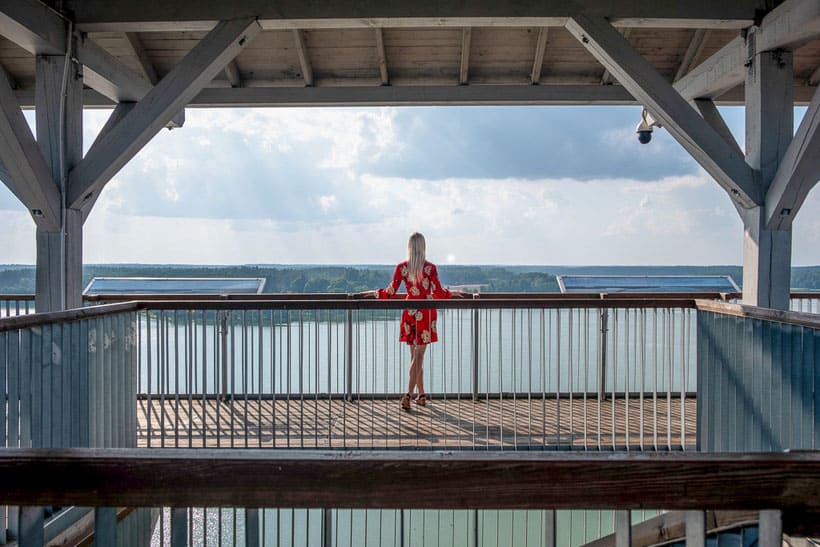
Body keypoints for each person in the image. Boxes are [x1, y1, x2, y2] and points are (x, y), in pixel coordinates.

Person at [361, 232, 465, 410]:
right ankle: (410, 394)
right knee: (418, 357)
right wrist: (451, 293)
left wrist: (376, 293)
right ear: (423, 247)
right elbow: (438, 293)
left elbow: (391, 291)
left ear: (409, 247)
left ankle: (421, 394)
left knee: (415, 357)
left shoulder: (402, 267)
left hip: (410, 312)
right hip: (425, 312)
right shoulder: (430, 268)